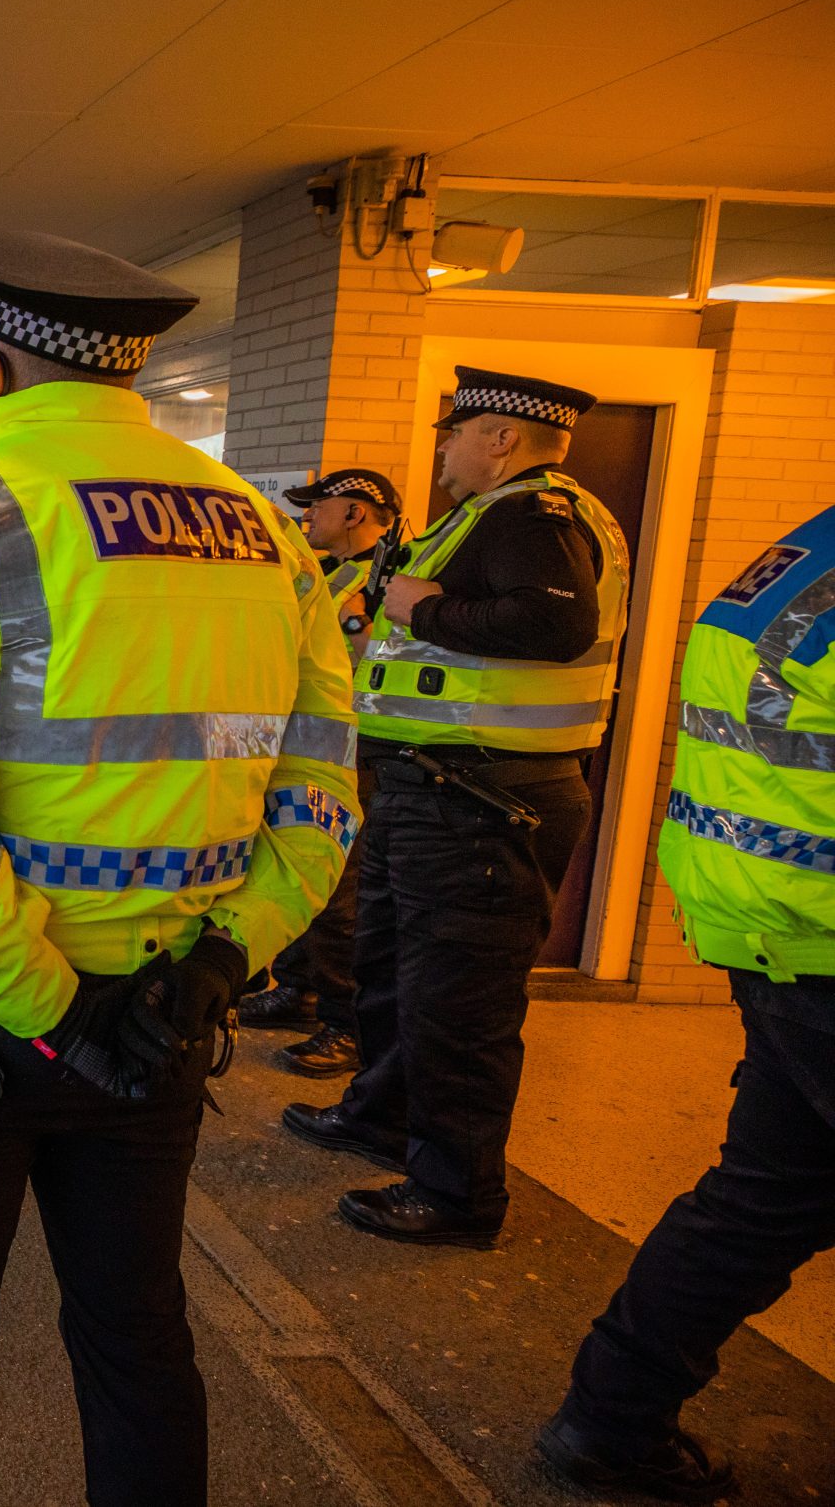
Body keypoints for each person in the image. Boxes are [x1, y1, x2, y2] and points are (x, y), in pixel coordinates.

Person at [0, 231, 357, 1506]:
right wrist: (225, 961)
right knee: (136, 1344)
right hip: (166, 1022)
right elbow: (324, 788)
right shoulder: (266, 532)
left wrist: (56, 1013)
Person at [283, 368, 630, 1248]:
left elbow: (554, 624)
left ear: (502, 438)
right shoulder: (489, 514)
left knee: (459, 1003)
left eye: (457, 432)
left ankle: (457, 1191)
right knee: (396, 964)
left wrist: (422, 604)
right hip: (434, 786)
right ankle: (382, 1114)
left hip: (486, 797)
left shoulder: (534, 515)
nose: (444, 447)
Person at [534, 508, 835, 1501]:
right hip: (816, 934)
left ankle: (607, 1420)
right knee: (762, 1200)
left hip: (775, 926)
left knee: (763, 1200)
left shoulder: (805, 548)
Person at [237, 467, 400, 1080]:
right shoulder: (324, 573)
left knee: (339, 890)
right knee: (291, 857)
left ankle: (343, 1022)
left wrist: (358, 622)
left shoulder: (378, 578)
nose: (307, 517)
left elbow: (370, 652)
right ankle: (298, 989)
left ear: (357, 512)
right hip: (308, 744)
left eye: (319, 507)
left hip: (354, 753)